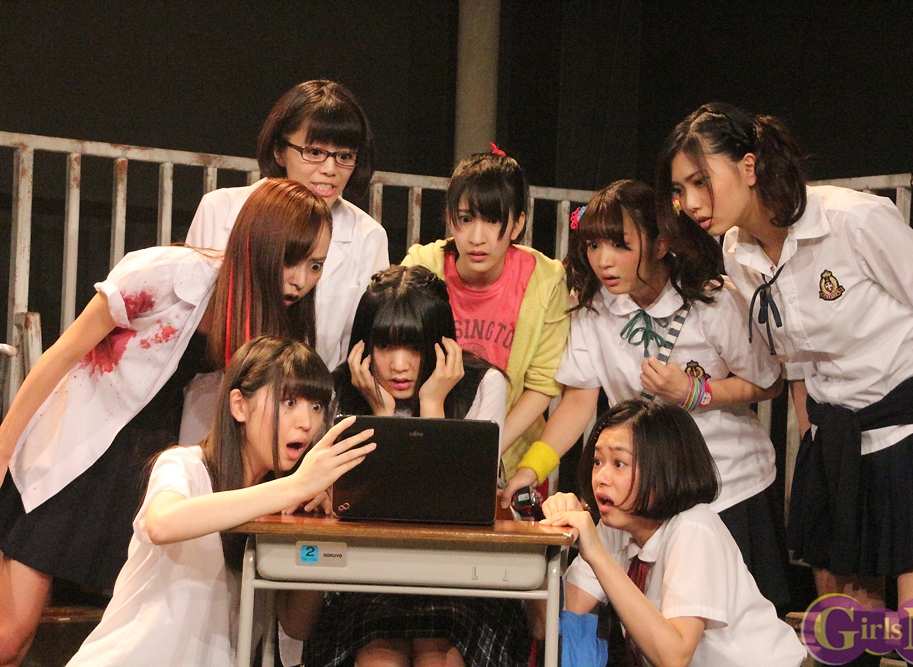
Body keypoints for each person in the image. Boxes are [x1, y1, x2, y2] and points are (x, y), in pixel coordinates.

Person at [663, 102, 913, 667]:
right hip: (839, 446)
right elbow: (796, 363)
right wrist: (814, 447)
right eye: (680, 190)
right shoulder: (737, 253)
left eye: (701, 181)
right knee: (848, 649)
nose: (691, 203)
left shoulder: (853, 219)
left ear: (749, 166)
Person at [0, 178, 333, 666]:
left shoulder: (276, 323)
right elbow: (63, 353)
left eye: (316, 265)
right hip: (77, 449)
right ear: (257, 244)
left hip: (151, 465)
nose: (301, 279)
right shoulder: (167, 274)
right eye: (291, 259)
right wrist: (4, 445)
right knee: (10, 636)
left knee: (136, 624)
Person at [500, 179, 789, 606]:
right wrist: (530, 471)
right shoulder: (594, 306)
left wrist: (695, 391)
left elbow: (769, 381)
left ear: (659, 244)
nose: (603, 260)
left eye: (620, 245)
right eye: (594, 245)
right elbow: (578, 402)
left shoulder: (711, 299)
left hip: (728, 485)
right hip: (643, 490)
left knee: (732, 620)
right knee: (641, 618)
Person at [63, 336, 375, 666]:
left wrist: (318, 529)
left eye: (316, 406)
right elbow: (161, 523)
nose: (306, 422)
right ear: (239, 405)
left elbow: (297, 625)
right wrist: (294, 487)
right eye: (288, 402)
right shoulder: (185, 465)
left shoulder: (282, 504)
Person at [287, 265, 528, 667]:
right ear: (365, 346)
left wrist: (433, 405)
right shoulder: (340, 389)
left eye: (414, 347)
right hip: (365, 574)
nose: (399, 365)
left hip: (459, 575)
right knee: (378, 658)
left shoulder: (482, 385)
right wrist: (379, 414)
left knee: (439, 658)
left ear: (440, 343)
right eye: (385, 347)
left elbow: (460, 500)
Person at [543, 399, 805, 667]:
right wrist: (547, 543)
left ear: (663, 468)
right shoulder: (616, 527)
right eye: (598, 461)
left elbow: (675, 656)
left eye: (619, 463)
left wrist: (597, 555)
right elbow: (551, 623)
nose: (600, 477)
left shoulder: (694, 528)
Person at [186, 79, 388, 370]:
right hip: (218, 385)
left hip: (316, 391)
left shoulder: (368, 236)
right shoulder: (220, 210)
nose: (330, 169)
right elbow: (191, 322)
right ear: (279, 151)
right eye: (314, 152)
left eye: (344, 156)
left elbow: (361, 346)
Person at [402, 148, 569, 480]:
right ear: (450, 218)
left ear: (518, 223)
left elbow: (542, 385)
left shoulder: (546, 281)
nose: (477, 238)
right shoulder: (422, 268)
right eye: (465, 219)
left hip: (506, 456)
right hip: (420, 443)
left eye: (493, 220)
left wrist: (483, 451)